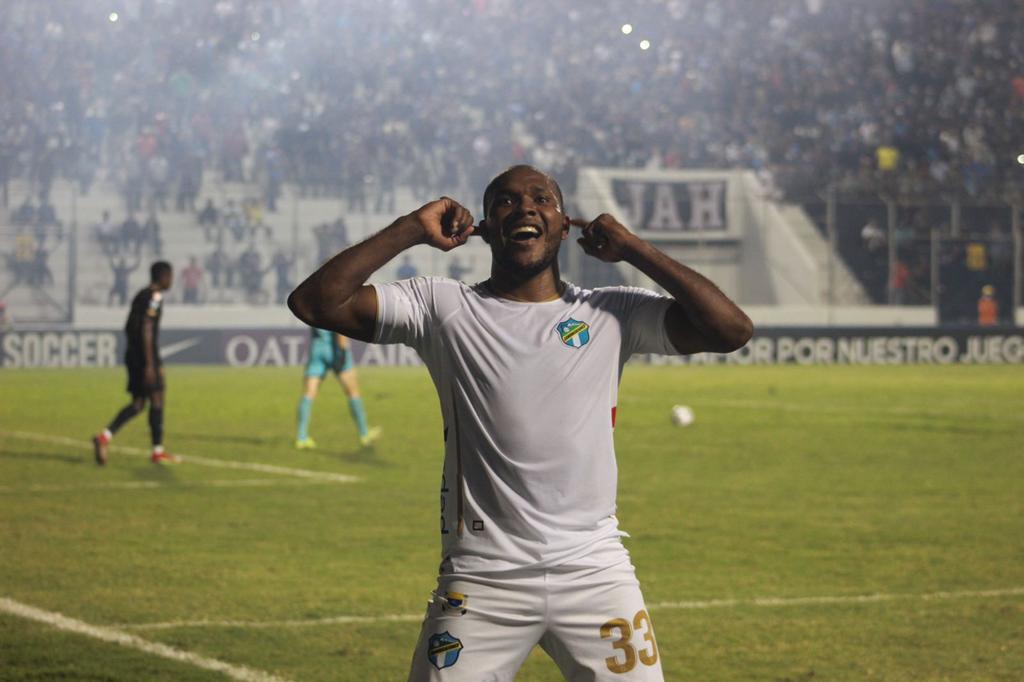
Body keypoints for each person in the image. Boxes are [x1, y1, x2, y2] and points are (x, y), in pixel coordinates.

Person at [288, 165, 753, 680]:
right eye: (506, 201)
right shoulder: (443, 306)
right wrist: (411, 228)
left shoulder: (611, 311)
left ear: (564, 225)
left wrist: (635, 249)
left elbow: (731, 329)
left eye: (541, 199)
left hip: (596, 573)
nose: (526, 206)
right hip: (483, 577)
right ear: (485, 227)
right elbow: (314, 302)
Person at [93, 261, 178, 466]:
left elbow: (129, 326)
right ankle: (157, 451)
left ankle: (104, 437)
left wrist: (135, 352)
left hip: (134, 354)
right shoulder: (155, 297)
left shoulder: (141, 295)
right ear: (162, 277)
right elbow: (147, 327)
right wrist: (149, 363)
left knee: (139, 403)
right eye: (170, 276)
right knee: (157, 398)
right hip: (145, 356)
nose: (171, 281)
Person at [295, 328, 381, 449]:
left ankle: (301, 437)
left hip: (317, 349)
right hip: (336, 349)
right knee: (353, 392)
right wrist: (342, 351)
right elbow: (340, 327)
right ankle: (364, 434)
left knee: (308, 393)